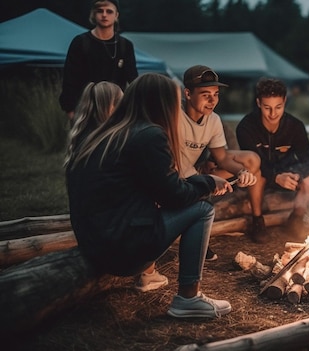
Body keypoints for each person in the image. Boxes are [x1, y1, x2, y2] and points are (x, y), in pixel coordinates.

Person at [65, 73, 233, 318]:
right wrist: (208, 183)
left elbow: (159, 187)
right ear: (163, 104)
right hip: (122, 250)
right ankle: (188, 298)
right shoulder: (149, 135)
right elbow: (173, 196)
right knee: (202, 210)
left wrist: (199, 180)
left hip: (93, 243)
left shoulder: (110, 132)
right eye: (175, 103)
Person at [180, 65, 261, 253]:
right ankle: (195, 232)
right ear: (188, 94)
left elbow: (222, 157)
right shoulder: (174, 117)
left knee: (250, 161)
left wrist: (242, 172)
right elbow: (171, 164)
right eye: (205, 94)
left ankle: (199, 226)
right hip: (172, 174)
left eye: (216, 94)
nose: (212, 100)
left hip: (194, 172)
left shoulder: (213, 120)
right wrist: (208, 181)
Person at [236, 78, 309, 243]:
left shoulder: (295, 126)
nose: (273, 114)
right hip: (260, 174)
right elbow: (253, 161)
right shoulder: (246, 127)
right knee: (256, 172)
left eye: (278, 107)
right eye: (267, 108)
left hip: (286, 170)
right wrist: (275, 177)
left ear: (285, 101)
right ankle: (257, 221)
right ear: (258, 103)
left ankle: (295, 219)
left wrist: (296, 174)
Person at [59, 0, 138, 118]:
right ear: (93, 14)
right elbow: (70, 78)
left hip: (116, 109)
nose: (104, 15)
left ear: (116, 15)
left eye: (109, 11)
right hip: (86, 108)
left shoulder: (125, 45)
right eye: (100, 11)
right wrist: (70, 110)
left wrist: (135, 109)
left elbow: (133, 80)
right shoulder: (81, 42)